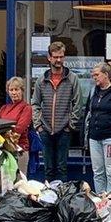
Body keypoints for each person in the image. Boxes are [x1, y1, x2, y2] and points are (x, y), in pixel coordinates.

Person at [31, 42, 81, 182]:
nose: (59, 60)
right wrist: (38, 125)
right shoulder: (42, 80)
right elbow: (34, 103)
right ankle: (49, 199)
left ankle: (61, 199)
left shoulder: (72, 78)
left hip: (64, 130)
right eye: (55, 57)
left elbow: (78, 103)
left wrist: (70, 125)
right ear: (49, 58)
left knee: (61, 168)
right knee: (48, 169)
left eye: (61, 56)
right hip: (45, 129)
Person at [83, 63, 111, 194]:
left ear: (106, 75)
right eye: (93, 75)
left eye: (97, 75)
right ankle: (100, 202)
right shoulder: (93, 92)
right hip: (94, 138)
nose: (94, 78)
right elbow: (87, 113)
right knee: (98, 172)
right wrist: (85, 136)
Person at [0, 77, 33, 176]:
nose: (13, 92)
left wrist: (4, 132)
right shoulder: (4, 108)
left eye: (16, 89)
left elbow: (19, 128)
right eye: (11, 90)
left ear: (22, 91)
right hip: (3, 151)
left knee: (19, 180)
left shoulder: (26, 108)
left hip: (19, 150)